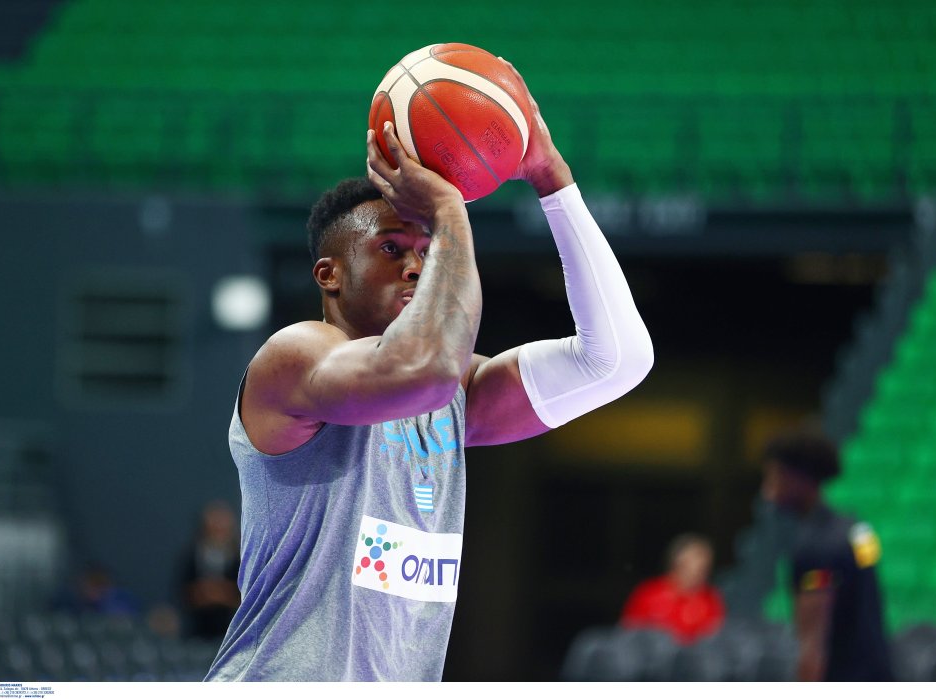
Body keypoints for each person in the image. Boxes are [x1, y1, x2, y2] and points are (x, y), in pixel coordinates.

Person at [205, 61, 653, 681]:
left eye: (425, 251)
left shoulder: (451, 394)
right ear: (329, 275)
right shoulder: (296, 355)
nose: (417, 267)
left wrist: (553, 179)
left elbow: (617, 361)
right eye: (392, 249)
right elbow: (427, 370)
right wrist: (448, 212)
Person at [761, 429, 894, 681]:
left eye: (774, 476)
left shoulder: (815, 549)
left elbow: (813, 643)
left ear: (798, 478)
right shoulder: (860, 530)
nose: (766, 490)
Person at [620, 534, 725, 644]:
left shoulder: (710, 598)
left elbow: (716, 638)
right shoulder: (649, 593)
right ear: (677, 561)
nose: (700, 568)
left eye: (705, 566)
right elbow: (627, 635)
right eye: (693, 560)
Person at [179, 500, 241, 640]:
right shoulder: (191, 557)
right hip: (197, 630)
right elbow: (184, 593)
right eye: (214, 526)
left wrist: (223, 594)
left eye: (222, 527)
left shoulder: (241, 559)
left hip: (232, 631)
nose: (218, 531)